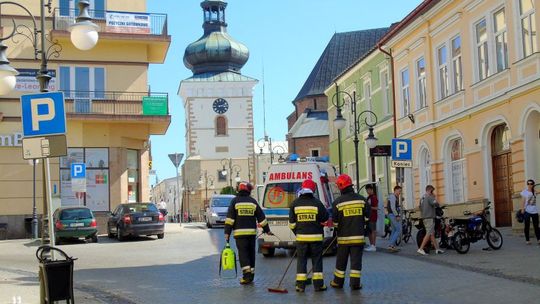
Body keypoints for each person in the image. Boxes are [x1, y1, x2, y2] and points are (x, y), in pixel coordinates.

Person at [224, 182, 273, 285]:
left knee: (243, 254)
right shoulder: (252, 202)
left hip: (240, 235)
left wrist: (227, 232)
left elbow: (230, 219)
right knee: (251, 254)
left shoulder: (234, 202)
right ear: (248, 190)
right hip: (251, 234)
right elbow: (261, 217)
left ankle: (246, 276)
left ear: (238, 190)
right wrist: (267, 229)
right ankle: (251, 275)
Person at [289, 179, 329, 292]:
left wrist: (297, 232)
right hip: (316, 238)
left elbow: (291, 224)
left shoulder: (294, 204)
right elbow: (325, 217)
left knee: (301, 260)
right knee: (317, 261)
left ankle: (300, 286)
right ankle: (318, 285)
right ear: (313, 190)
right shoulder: (317, 203)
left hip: (301, 238)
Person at [330, 174, 369, 290]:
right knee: (356, 262)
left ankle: (337, 282)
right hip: (358, 237)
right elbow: (367, 216)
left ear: (340, 187)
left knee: (341, 261)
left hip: (343, 238)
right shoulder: (362, 200)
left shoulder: (337, 202)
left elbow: (335, 222)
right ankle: (355, 284)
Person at [417, 185, 444, 255]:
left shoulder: (422, 197)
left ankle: (437, 249)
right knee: (428, 233)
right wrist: (434, 197)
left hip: (424, 217)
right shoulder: (430, 197)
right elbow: (436, 204)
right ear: (430, 190)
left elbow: (419, 207)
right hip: (429, 218)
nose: (433, 192)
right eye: (432, 191)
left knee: (432, 234)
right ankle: (421, 249)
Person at [521, 179, 539, 245]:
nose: (529, 185)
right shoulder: (525, 192)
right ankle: (527, 240)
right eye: (528, 183)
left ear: (533, 184)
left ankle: (538, 239)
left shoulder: (534, 192)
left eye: (531, 184)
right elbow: (523, 201)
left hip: (534, 211)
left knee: (536, 226)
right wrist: (522, 209)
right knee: (527, 226)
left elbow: (538, 192)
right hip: (527, 211)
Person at [386, 186, 402, 252]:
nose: (400, 193)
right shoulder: (393, 197)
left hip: (391, 214)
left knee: (394, 230)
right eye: (399, 191)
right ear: (395, 190)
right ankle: (390, 245)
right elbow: (393, 208)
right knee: (398, 230)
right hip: (393, 215)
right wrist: (397, 215)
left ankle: (392, 246)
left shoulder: (393, 197)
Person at [364, 184, 378, 252]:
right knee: (369, 231)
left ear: (372, 190)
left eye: (368, 190)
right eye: (367, 190)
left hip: (373, 216)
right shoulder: (368, 197)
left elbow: (376, 208)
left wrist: (369, 207)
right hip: (368, 217)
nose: (367, 191)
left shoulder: (374, 197)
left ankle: (373, 246)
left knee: (373, 231)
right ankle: (371, 244)